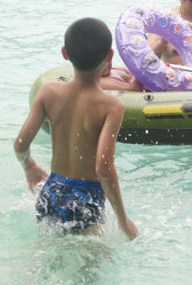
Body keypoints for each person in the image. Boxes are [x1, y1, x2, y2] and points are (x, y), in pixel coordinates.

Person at [14, 18, 138, 240]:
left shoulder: (48, 91)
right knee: (90, 270)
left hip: (50, 194)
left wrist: (29, 166)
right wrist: (122, 220)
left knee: (46, 262)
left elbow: (20, 144)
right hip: (85, 199)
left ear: (65, 53)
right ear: (109, 56)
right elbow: (104, 168)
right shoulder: (111, 105)